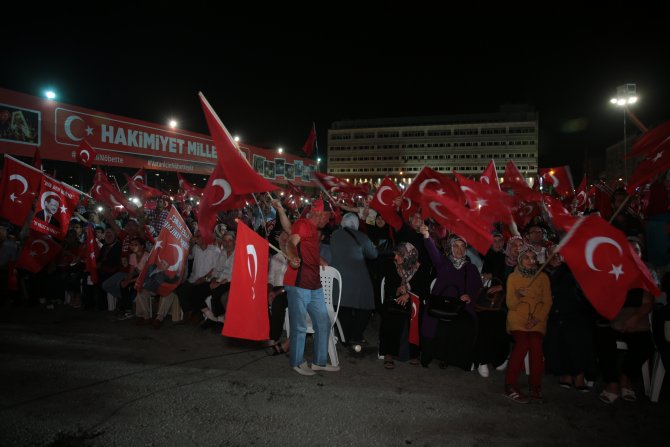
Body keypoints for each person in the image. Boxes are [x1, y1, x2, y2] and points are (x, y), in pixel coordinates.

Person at [284, 198, 339, 376]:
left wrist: (319, 260)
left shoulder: (314, 230)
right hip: (298, 283)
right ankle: (297, 362)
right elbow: (290, 243)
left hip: (314, 284)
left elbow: (307, 250)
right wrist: (292, 257)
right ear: (319, 213)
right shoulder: (303, 224)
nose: (329, 220)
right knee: (299, 325)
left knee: (323, 322)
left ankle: (319, 362)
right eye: (328, 216)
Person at [420, 227, 482, 370]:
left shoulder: (471, 268)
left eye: (462, 246)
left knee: (462, 324)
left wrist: (470, 297)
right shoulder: (443, 263)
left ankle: (452, 359)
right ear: (450, 248)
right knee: (431, 320)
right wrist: (426, 235)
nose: (459, 250)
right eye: (455, 246)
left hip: (460, 306)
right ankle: (428, 355)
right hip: (439, 303)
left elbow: (476, 289)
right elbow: (433, 252)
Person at [543, 245, 595, 392]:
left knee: (577, 331)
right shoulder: (542, 271)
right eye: (551, 254)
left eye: (559, 254)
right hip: (552, 314)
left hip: (574, 312)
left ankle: (579, 374)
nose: (555, 257)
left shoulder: (571, 271)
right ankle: (565, 372)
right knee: (555, 330)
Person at [504, 247, 552, 404]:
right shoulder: (512, 277)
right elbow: (510, 304)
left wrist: (536, 319)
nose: (531, 261)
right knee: (523, 343)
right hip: (517, 318)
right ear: (520, 260)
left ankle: (535, 385)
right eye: (526, 258)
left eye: (533, 258)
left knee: (536, 343)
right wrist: (518, 295)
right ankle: (510, 385)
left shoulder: (543, 277)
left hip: (537, 319)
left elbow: (547, 302)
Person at [378, 242, 430, 369]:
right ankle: (388, 353)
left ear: (409, 256)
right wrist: (398, 290)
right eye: (396, 254)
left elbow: (424, 291)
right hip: (395, 300)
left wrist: (409, 295)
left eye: (400, 255)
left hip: (414, 301)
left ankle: (413, 353)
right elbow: (388, 287)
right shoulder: (392, 266)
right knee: (391, 314)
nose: (396, 258)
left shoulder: (420, 269)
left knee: (416, 313)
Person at [330, 213, 378, 345]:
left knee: (342, 307)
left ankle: (345, 336)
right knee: (366, 306)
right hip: (358, 279)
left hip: (337, 279)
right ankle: (356, 335)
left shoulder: (334, 235)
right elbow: (373, 254)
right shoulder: (362, 237)